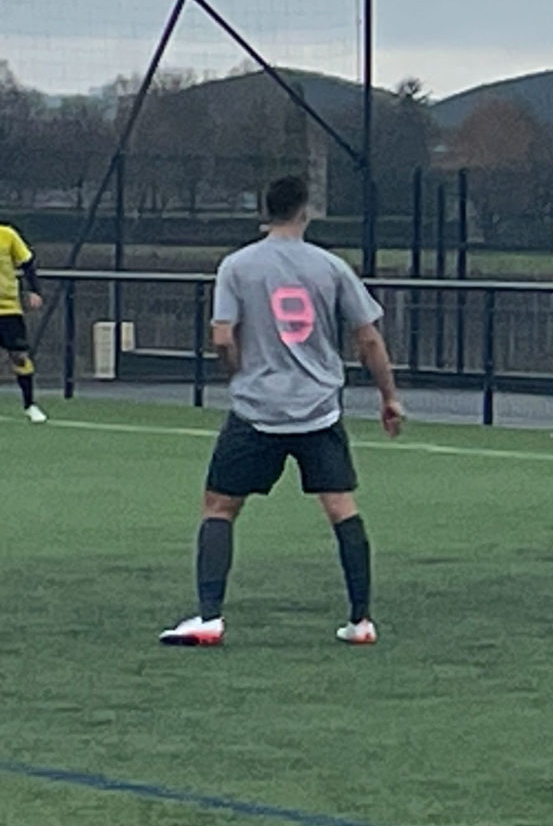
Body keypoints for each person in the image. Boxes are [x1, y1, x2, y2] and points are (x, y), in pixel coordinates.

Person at [159, 175, 404, 648]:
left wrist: (237, 371)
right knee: (341, 507)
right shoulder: (331, 266)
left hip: (257, 409)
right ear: (304, 211)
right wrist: (388, 396)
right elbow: (368, 338)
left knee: (220, 507)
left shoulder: (237, 265)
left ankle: (209, 617)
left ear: (264, 211)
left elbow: (222, 337)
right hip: (319, 409)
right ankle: (361, 621)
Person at [0, 218, 46, 422]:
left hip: (8, 308)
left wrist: (35, 290)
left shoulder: (7, 235)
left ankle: (30, 405)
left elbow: (27, 263)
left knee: (19, 355)